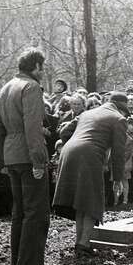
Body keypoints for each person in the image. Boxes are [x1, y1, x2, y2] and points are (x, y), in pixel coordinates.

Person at [0, 48, 55, 265]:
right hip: (29, 157)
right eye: (43, 66)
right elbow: (32, 127)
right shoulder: (31, 87)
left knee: (19, 213)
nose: (43, 70)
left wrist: (1, 159)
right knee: (37, 214)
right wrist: (39, 160)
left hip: (12, 156)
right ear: (36, 66)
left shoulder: (6, 87)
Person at [53, 91, 128, 255]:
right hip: (89, 156)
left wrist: (76, 145)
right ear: (122, 109)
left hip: (68, 152)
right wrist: (117, 179)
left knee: (81, 201)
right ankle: (84, 244)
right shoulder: (119, 119)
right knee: (91, 201)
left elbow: (64, 132)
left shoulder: (87, 113)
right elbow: (118, 153)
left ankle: (80, 242)